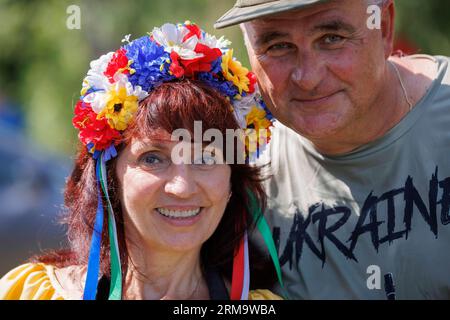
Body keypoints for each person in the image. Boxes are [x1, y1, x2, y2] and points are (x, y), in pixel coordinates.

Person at [0, 22, 284, 300]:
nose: (182, 187)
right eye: (153, 158)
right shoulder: (30, 293)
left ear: (232, 180)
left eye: (205, 157)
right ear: (109, 177)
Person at [215, 0, 450, 299]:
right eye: (278, 46)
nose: (308, 77)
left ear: (385, 27)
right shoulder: (235, 171)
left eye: (332, 39)